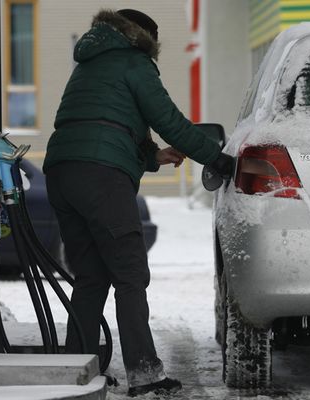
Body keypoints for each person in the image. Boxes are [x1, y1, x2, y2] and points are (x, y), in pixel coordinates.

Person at [43, 9, 233, 397]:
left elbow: (100, 123)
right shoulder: (134, 61)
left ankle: (76, 368)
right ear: (143, 37)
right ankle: (145, 374)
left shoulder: (89, 63)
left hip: (62, 172)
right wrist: (218, 158)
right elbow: (170, 120)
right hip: (102, 178)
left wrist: (151, 158)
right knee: (130, 276)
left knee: (91, 278)